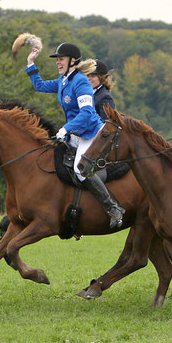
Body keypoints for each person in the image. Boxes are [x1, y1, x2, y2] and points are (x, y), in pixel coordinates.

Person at [25, 43, 125, 228]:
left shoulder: (81, 82)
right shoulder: (64, 81)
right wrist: (31, 63)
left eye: (61, 59)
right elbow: (39, 85)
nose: (58, 63)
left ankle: (113, 208)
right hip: (74, 134)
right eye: (57, 60)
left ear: (72, 61)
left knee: (81, 170)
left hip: (91, 134)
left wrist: (66, 128)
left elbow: (87, 113)